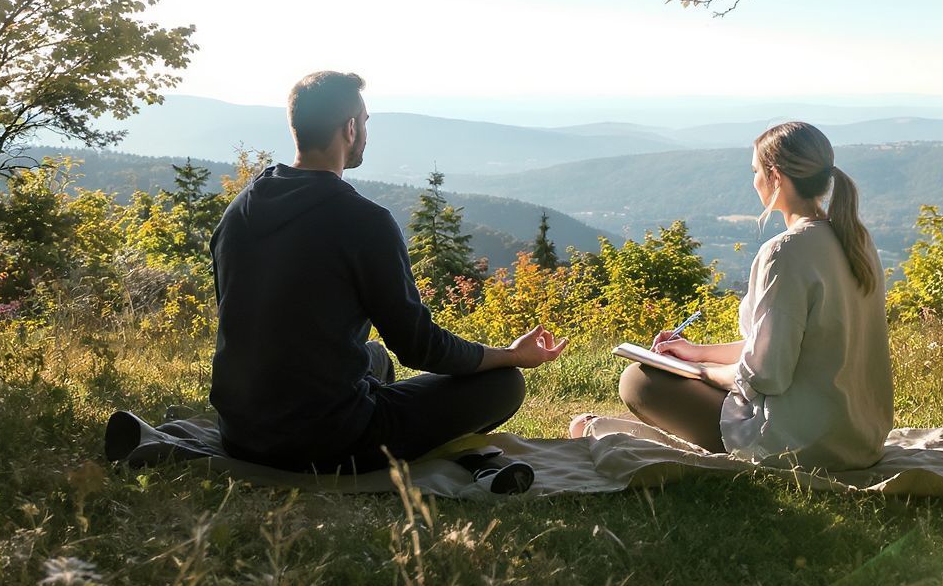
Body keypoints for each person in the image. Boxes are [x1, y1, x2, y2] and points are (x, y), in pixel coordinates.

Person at [209, 70, 567, 475]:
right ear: (349, 128)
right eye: (365, 122)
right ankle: (385, 437)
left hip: (240, 431)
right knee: (504, 385)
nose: (365, 131)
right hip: (323, 442)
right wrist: (510, 355)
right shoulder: (364, 221)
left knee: (375, 358)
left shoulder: (240, 208)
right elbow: (419, 346)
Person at [580, 121, 894, 471]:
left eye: (756, 171)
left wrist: (700, 371)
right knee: (680, 380)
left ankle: (613, 432)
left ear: (775, 176)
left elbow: (767, 375)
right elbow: (783, 349)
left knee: (639, 381)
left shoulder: (785, 252)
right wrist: (696, 353)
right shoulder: (856, 240)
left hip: (803, 444)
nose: (754, 180)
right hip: (859, 436)